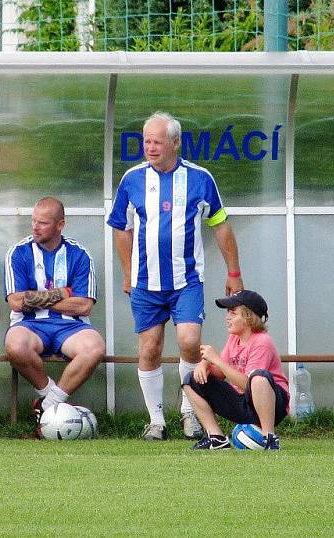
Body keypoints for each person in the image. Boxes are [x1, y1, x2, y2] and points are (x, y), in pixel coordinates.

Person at [107, 111, 243, 441]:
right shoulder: (132, 179)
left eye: (157, 141)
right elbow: (121, 229)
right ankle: (156, 421)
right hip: (145, 282)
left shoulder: (200, 179)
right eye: (146, 141)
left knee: (189, 341)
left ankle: (188, 412)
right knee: (150, 348)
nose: (150, 148)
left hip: (187, 280)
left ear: (175, 143)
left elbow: (220, 225)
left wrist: (234, 272)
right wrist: (127, 273)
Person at [4, 197, 105, 438]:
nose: (35, 227)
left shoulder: (80, 255)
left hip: (71, 326)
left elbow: (83, 306)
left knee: (94, 348)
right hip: (29, 324)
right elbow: (16, 302)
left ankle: (47, 406)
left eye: (43, 223)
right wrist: (62, 293)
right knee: (15, 346)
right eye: (33, 221)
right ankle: (55, 403)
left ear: (60, 225)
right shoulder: (18, 253)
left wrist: (36, 298)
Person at [182, 290, 288, 450]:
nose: (227, 317)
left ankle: (269, 439)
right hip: (245, 401)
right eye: (227, 313)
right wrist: (206, 364)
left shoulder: (262, 341)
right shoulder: (234, 339)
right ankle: (216, 438)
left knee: (258, 377)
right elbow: (220, 373)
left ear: (248, 318)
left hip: (272, 404)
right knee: (191, 380)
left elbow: (249, 384)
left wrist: (216, 359)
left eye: (233, 313)